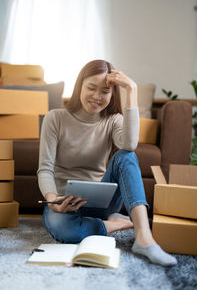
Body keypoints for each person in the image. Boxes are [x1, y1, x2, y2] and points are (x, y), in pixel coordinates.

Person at [37, 59, 177, 267]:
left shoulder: (113, 120)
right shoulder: (55, 118)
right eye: (91, 88)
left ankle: (144, 237)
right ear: (80, 87)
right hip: (65, 203)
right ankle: (117, 223)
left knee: (126, 156)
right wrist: (52, 200)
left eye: (105, 91)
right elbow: (45, 169)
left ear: (112, 94)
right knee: (65, 230)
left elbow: (129, 144)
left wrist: (132, 89)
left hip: (102, 201)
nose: (97, 97)